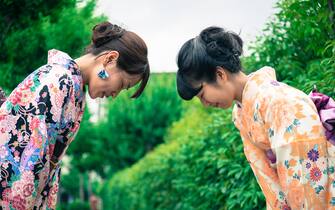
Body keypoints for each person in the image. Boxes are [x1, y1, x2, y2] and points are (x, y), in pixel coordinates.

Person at [176, 26, 335, 209]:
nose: (205, 103)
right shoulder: (241, 112)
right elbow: (268, 178)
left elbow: (308, 183)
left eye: (202, 95)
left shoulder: (281, 103)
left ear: (220, 75)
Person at [0, 21, 150, 209]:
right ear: (110, 59)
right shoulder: (59, 80)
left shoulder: (71, 86)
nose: (114, 95)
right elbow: (27, 162)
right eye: (121, 84)